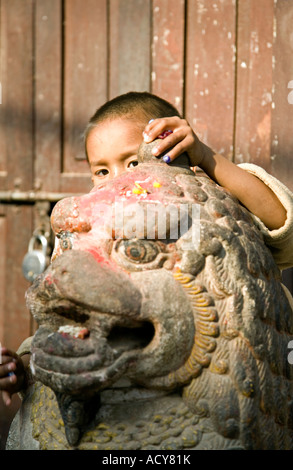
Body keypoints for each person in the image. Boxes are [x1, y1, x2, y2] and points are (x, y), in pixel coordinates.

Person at [1, 91, 293, 405]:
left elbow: (283, 228)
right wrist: (29, 363)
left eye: (132, 162)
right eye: (102, 171)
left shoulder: (197, 206)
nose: (117, 179)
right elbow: (72, 314)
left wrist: (206, 158)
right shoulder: (97, 229)